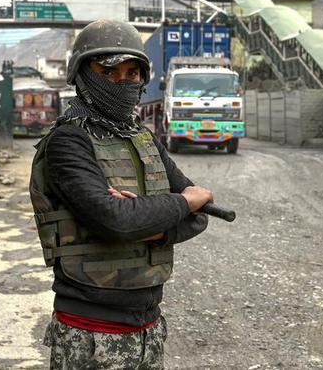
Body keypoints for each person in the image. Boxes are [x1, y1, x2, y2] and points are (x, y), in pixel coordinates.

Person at [30, 20, 213, 369]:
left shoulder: (143, 139)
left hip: (148, 327)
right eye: (109, 71)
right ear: (83, 74)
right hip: (89, 331)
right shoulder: (68, 141)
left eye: (132, 72)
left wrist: (154, 227)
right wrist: (178, 205)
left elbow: (201, 210)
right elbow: (115, 220)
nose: (123, 81)